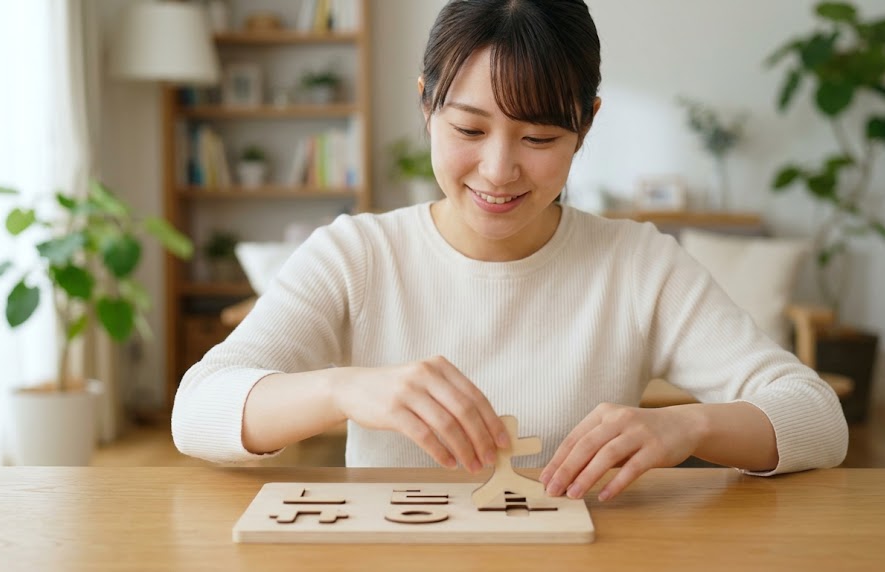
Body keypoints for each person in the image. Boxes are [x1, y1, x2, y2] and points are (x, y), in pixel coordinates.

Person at [172, 0, 848, 502]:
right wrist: (345, 388)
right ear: (426, 106)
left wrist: (690, 428)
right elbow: (196, 411)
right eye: (469, 127)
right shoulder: (358, 255)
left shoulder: (638, 264)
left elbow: (818, 418)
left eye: (539, 139)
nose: (498, 171)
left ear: (586, 126)